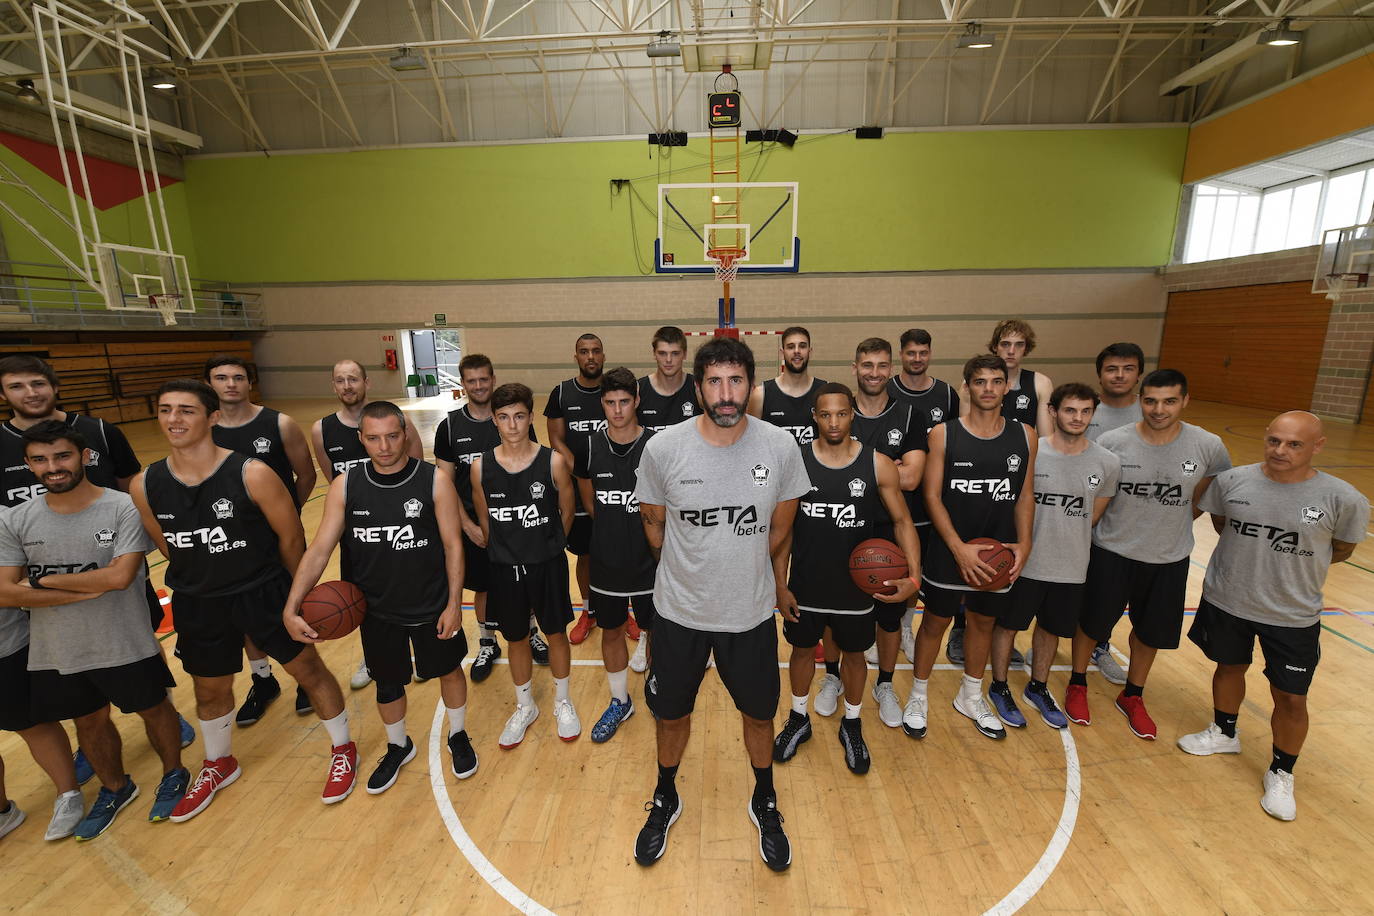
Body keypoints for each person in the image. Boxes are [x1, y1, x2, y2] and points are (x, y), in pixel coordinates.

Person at [130, 380, 354, 820]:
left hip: (264, 591)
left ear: (212, 417)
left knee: (308, 670)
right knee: (209, 689)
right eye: (166, 410)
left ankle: (343, 749)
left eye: (186, 410)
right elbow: (167, 546)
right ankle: (219, 762)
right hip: (199, 601)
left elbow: (291, 538)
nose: (174, 419)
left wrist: (297, 599)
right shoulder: (146, 484)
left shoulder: (252, 472)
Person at [632, 336, 809, 872]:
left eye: (736, 381)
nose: (726, 393)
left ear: (751, 386)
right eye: (714, 381)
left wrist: (747, 568)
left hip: (749, 615)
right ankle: (666, 793)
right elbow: (654, 524)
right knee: (671, 713)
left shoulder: (779, 447)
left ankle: (764, 797)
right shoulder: (664, 448)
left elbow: (781, 527)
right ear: (697, 386)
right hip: (679, 613)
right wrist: (696, 565)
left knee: (758, 714)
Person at [0, 354, 193, 784]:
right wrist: (42, 583)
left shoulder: (101, 431)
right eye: (17, 386)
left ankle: (161, 714)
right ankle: (98, 750)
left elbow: (133, 490)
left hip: (111, 562)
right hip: (40, 578)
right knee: (75, 683)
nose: (30, 393)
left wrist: (43, 580)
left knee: (139, 642)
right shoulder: (8, 473)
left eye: (38, 383)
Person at [1179, 411, 1366, 821]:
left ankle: (1282, 770)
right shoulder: (1233, 482)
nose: (1281, 450)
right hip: (1228, 600)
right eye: (1275, 441)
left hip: (1293, 614)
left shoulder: (1343, 498)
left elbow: (1343, 549)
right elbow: (1222, 522)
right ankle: (1224, 731)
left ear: (1317, 446)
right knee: (1228, 667)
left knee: (1291, 697)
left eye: (1294, 444)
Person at [285, 401, 476, 792]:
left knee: (448, 670)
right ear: (361, 440)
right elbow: (320, 549)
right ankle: (397, 744)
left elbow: (453, 545)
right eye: (373, 438)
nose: (384, 446)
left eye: (392, 435)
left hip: (431, 602)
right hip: (374, 609)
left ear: (406, 434)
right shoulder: (346, 485)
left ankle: (457, 734)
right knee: (387, 683)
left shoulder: (433, 480)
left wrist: (455, 603)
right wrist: (292, 606)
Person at [1068, 369, 1230, 738]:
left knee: (1150, 633)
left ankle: (1134, 694)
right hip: (1112, 550)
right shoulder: (1113, 441)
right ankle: (1077, 682)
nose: (1159, 409)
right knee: (1092, 623)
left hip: (1168, 557)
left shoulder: (1208, 445)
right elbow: (1097, 492)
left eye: (1169, 401)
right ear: (1141, 400)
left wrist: (1175, 521)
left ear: (1185, 401)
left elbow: (1206, 491)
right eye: (1151, 401)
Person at [773, 382, 920, 774]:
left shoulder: (877, 463)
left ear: (852, 413)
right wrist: (780, 583)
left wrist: (914, 577)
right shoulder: (797, 461)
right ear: (815, 417)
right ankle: (798, 717)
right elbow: (783, 531)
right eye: (826, 414)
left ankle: (852, 723)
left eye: (841, 413)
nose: (834, 421)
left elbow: (904, 521)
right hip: (806, 583)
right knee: (802, 652)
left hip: (857, 586)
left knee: (855, 655)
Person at [906, 354, 1035, 742]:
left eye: (996, 381)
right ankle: (917, 696)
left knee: (982, 623)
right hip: (950, 550)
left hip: (998, 550)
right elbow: (931, 495)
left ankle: (970, 696)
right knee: (934, 624)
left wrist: (1026, 543)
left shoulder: (1026, 435)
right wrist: (957, 547)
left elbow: (1025, 495)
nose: (989, 389)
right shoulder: (944, 434)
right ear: (967, 387)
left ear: (1007, 387)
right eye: (980, 382)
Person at [987, 384, 1119, 730]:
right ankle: (999, 686)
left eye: (1085, 411)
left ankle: (1038, 686)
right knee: (1007, 626)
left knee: (1051, 629)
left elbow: (1092, 516)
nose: (1077, 418)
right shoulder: (1032, 452)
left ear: (1093, 414)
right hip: (1024, 562)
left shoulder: (1107, 463)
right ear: (1053, 412)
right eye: (1070, 410)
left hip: (1071, 565)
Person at [203, 355, 318, 722]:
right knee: (244, 613)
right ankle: (263, 679)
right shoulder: (204, 430)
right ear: (210, 385)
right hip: (231, 540)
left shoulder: (279, 423)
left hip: (280, 539)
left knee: (293, 601)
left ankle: (305, 678)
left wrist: (285, 518)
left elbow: (306, 475)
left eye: (238, 377)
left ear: (249, 382)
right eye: (221, 378)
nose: (230, 384)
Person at [472, 383, 580, 748]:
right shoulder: (480, 467)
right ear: (495, 420)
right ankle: (525, 706)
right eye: (504, 417)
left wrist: (547, 546)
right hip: (505, 569)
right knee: (516, 638)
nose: (513, 425)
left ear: (530, 417)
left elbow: (566, 513)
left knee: (555, 634)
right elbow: (487, 522)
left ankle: (563, 702)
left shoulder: (552, 461)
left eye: (519, 416)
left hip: (546, 564)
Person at [309, 358, 423, 693]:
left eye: (353, 379)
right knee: (360, 597)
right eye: (340, 380)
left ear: (366, 383)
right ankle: (371, 657)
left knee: (411, 589)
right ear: (333, 386)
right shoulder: (321, 430)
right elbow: (334, 481)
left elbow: (417, 470)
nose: (347, 386)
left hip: (404, 524)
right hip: (359, 531)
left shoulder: (394, 422)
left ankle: (415, 652)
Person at [434, 354, 549, 683]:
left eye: (484, 379)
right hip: (474, 526)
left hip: (515, 523)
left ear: (493, 379)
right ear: (463, 383)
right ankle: (487, 642)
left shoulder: (512, 419)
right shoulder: (451, 427)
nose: (479, 385)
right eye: (472, 380)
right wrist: (468, 526)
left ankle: (530, 633)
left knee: (522, 584)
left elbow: (532, 466)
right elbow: (444, 482)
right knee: (482, 587)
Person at [848, 338, 927, 729]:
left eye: (881, 365)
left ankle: (884, 684)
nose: (874, 373)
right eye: (867, 365)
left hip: (890, 531)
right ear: (855, 368)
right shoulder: (841, 411)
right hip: (845, 526)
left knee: (890, 616)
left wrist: (866, 473)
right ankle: (833, 676)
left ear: (890, 368)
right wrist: (888, 470)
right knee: (839, 614)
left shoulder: (909, 415)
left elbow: (912, 478)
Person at [576, 368, 657, 742]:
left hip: (652, 564)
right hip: (607, 561)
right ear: (602, 404)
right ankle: (619, 700)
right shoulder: (590, 447)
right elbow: (591, 503)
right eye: (610, 402)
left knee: (657, 631)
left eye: (624, 401)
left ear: (637, 400)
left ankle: (656, 688)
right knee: (610, 631)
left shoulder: (657, 446)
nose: (618, 409)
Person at [886, 328, 960, 668]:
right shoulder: (885, 390)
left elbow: (953, 444)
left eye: (923, 353)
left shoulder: (946, 395)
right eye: (911, 353)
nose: (917, 358)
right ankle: (882, 628)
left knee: (914, 566)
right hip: (888, 497)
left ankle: (904, 627)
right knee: (883, 561)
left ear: (930, 354)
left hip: (928, 499)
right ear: (901, 355)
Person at [1079, 341, 1147, 686]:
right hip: (1079, 519)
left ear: (1139, 374)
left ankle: (1099, 645)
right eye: (1111, 369)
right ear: (1099, 374)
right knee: (1076, 590)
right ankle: (1058, 639)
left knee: (1111, 596)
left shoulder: (1148, 414)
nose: (1119, 375)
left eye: (1128, 368)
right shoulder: (1086, 412)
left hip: (1126, 526)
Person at [544, 334, 607, 645]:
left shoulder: (615, 391)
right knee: (584, 554)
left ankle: (622, 611)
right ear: (576, 357)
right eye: (584, 352)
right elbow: (556, 439)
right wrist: (581, 473)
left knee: (617, 551)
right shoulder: (561, 393)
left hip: (614, 488)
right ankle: (589, 610)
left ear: (603, 356)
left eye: (595, 351)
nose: (590, 357)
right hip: (578, 487)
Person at [747, 326, 827, 445]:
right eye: (790, 347)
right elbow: (751, 443)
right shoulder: (760, 395)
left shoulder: (825, 392)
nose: (797, 351)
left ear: (810, 352)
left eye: (802, 346)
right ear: (782, 353)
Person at [637, 326, 700, 433]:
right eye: (662, 353)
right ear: (654, 354)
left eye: (675, 353)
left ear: (684, 354)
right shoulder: (638, 389)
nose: (668, 360)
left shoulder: (698, 388)